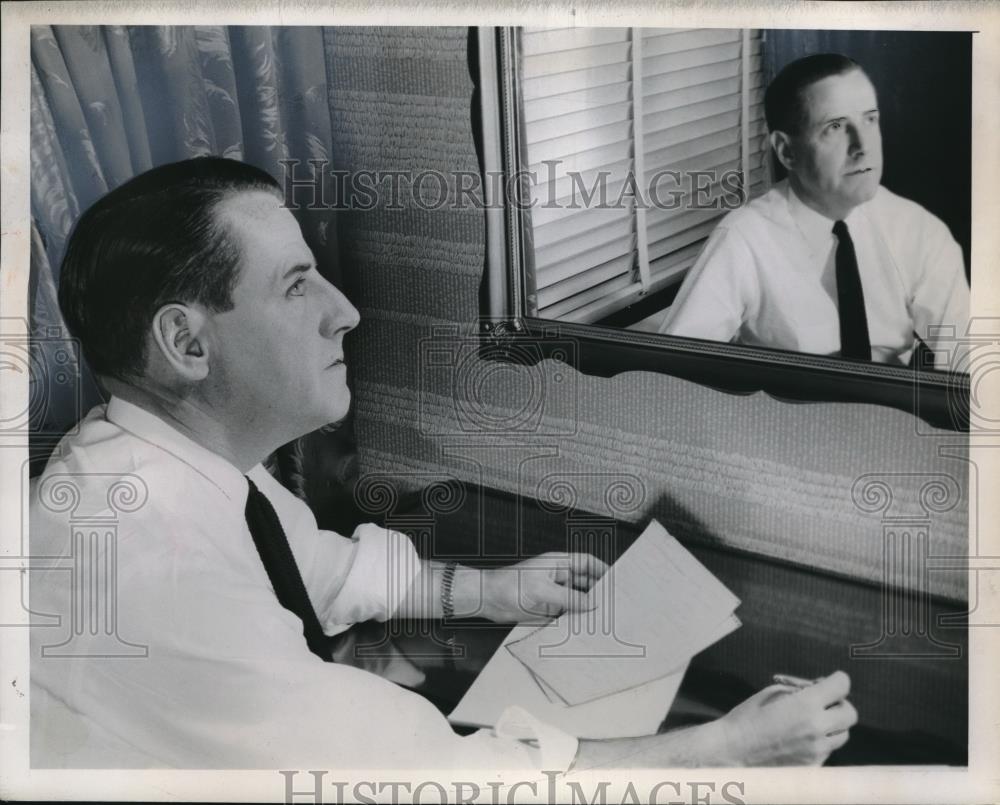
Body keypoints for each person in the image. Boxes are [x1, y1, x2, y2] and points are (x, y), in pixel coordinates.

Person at [30, 157, 857, 771]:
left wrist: (492, 590)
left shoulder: (171, 466)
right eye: (296, 286)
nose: (345, 312)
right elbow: (439, 779)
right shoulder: (154, 569)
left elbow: (326, 570)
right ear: (186, 343)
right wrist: (728, 748)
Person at [659, 53, 969, 369]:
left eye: (869, 119)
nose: (862, 146)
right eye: (835, 126)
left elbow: (969, 365)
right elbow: (673, 371)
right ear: (786, 151)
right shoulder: (743, 238)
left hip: (891, 411)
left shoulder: (919, 231)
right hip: (782, 410)